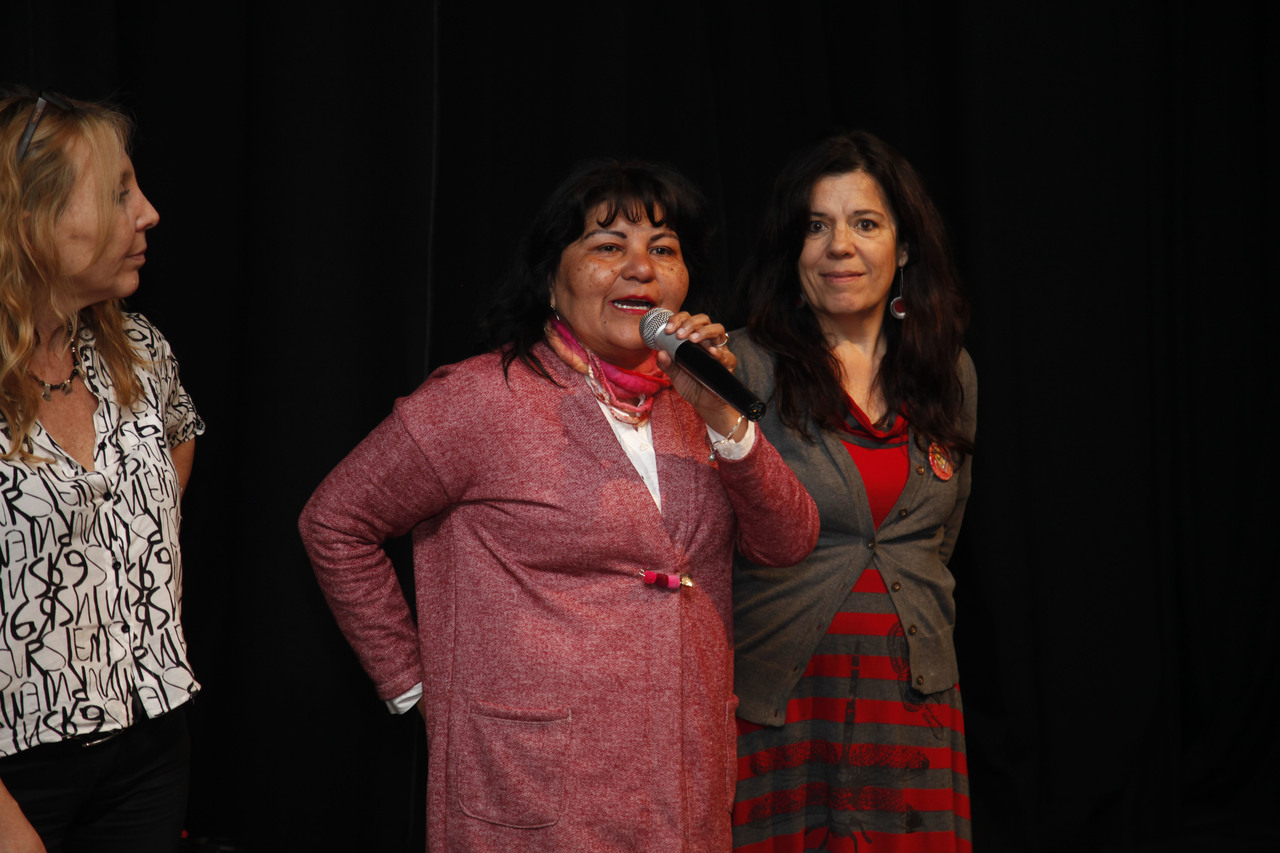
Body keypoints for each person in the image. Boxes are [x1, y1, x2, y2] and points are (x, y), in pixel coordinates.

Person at [298, 159, 820, 852]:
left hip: (681, 785)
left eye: (664, 249)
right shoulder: (480, 398)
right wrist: (413, 683)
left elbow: (788, 541)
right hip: (533, 789)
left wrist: (725, 418)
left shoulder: (695, 402)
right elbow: (336, 522)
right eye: (609, 245)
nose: (642, 268)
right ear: (551, 279)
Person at [729, 131, 977, 852]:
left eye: (865, 223)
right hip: (780, 706)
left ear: (904, 248)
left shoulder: (950, 373)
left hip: (913, 705)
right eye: (816, 225)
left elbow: (937, 538)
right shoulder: (743, 365)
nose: (839, 246)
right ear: (793, 248)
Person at [0, 88, 203, 853]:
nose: (148, 212)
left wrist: (109, 552)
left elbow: (179, 436)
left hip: (146, 739)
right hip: (17, 763)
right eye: (118, 194)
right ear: (33, 219)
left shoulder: (139, 350)